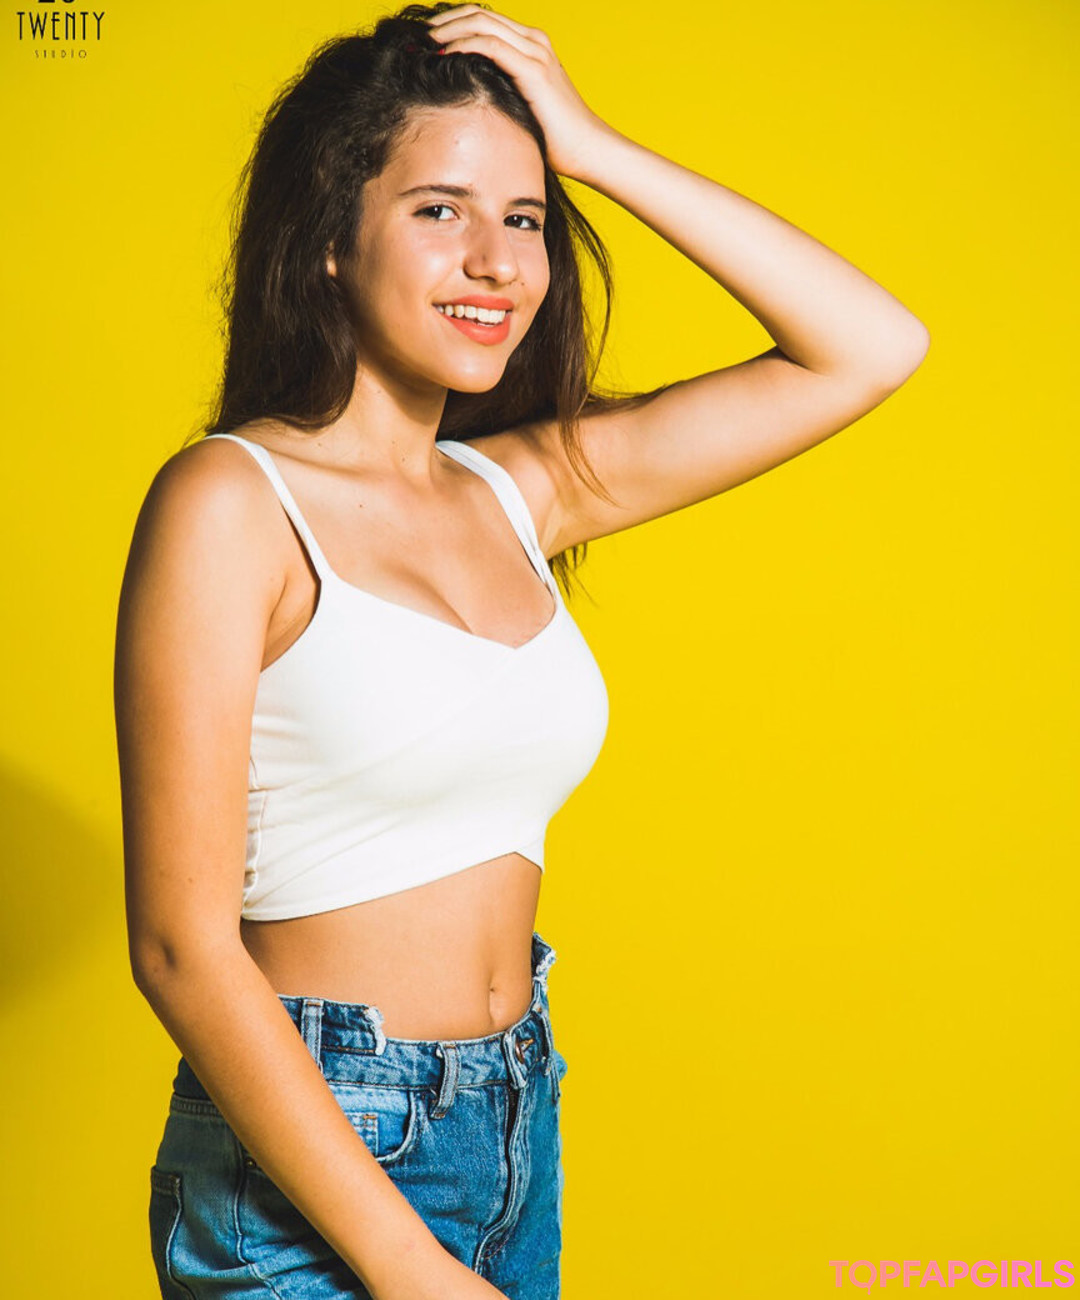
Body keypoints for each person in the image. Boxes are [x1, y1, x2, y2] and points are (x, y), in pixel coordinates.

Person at [113, 4, 929, 1298]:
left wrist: (592, 148)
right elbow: (179, 946)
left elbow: (873, 347)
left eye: (527, 217)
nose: (495, 260)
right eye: (439, 209)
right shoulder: (230, 503)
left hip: (511, 1126)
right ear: (330, 237)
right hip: (311, 1160)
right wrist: (406, 1267)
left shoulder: (521, 490)